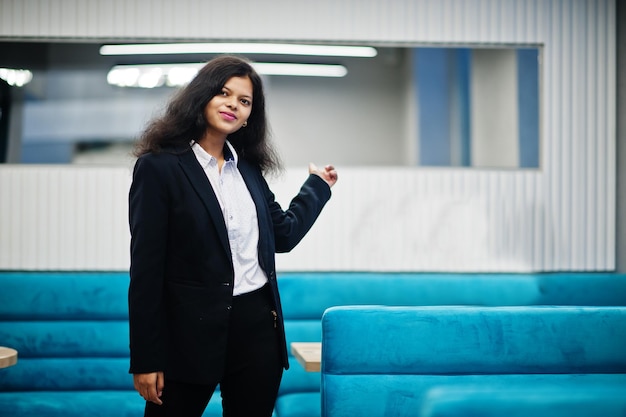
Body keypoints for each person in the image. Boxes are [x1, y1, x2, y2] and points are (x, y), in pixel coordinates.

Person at [128, 55, 337, 417]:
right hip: (188, 335)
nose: (233, 105)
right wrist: (145, 359)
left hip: (256, 330)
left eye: (244, 101)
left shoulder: (248, 170)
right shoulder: (159, 167)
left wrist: (317, 187)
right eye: (224, 93)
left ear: (248, 117)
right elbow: (146, 270)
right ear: (201, 96)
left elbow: (283, 234)